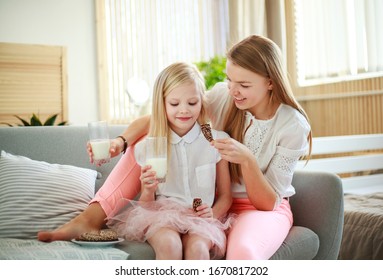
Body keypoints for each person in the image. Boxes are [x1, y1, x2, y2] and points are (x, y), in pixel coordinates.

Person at [39, 34, 312, 260]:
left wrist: (248, 160)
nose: (233, 90)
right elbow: (160, 117)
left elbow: (267, 202)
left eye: (243, 84)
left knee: (242, 255)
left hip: (260, 208)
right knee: (147, 144)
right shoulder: (224, 96)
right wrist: (119, 142)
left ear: (270, 82)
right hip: (215, 204)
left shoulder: (292, 125)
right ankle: (91, 216)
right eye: (229, 80)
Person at [42, 62, 233, 260]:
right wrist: (148, 189)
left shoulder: (216, 142)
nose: (183, 110)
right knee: (169, 245)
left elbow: (226, 196)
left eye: (192, 103)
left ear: (202, 101)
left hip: (201, 220)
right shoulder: (149, 147)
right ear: (162, 104)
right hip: (162, 217)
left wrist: (212, 213)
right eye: (175, 104)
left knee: (198, 250)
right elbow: (146, 205)